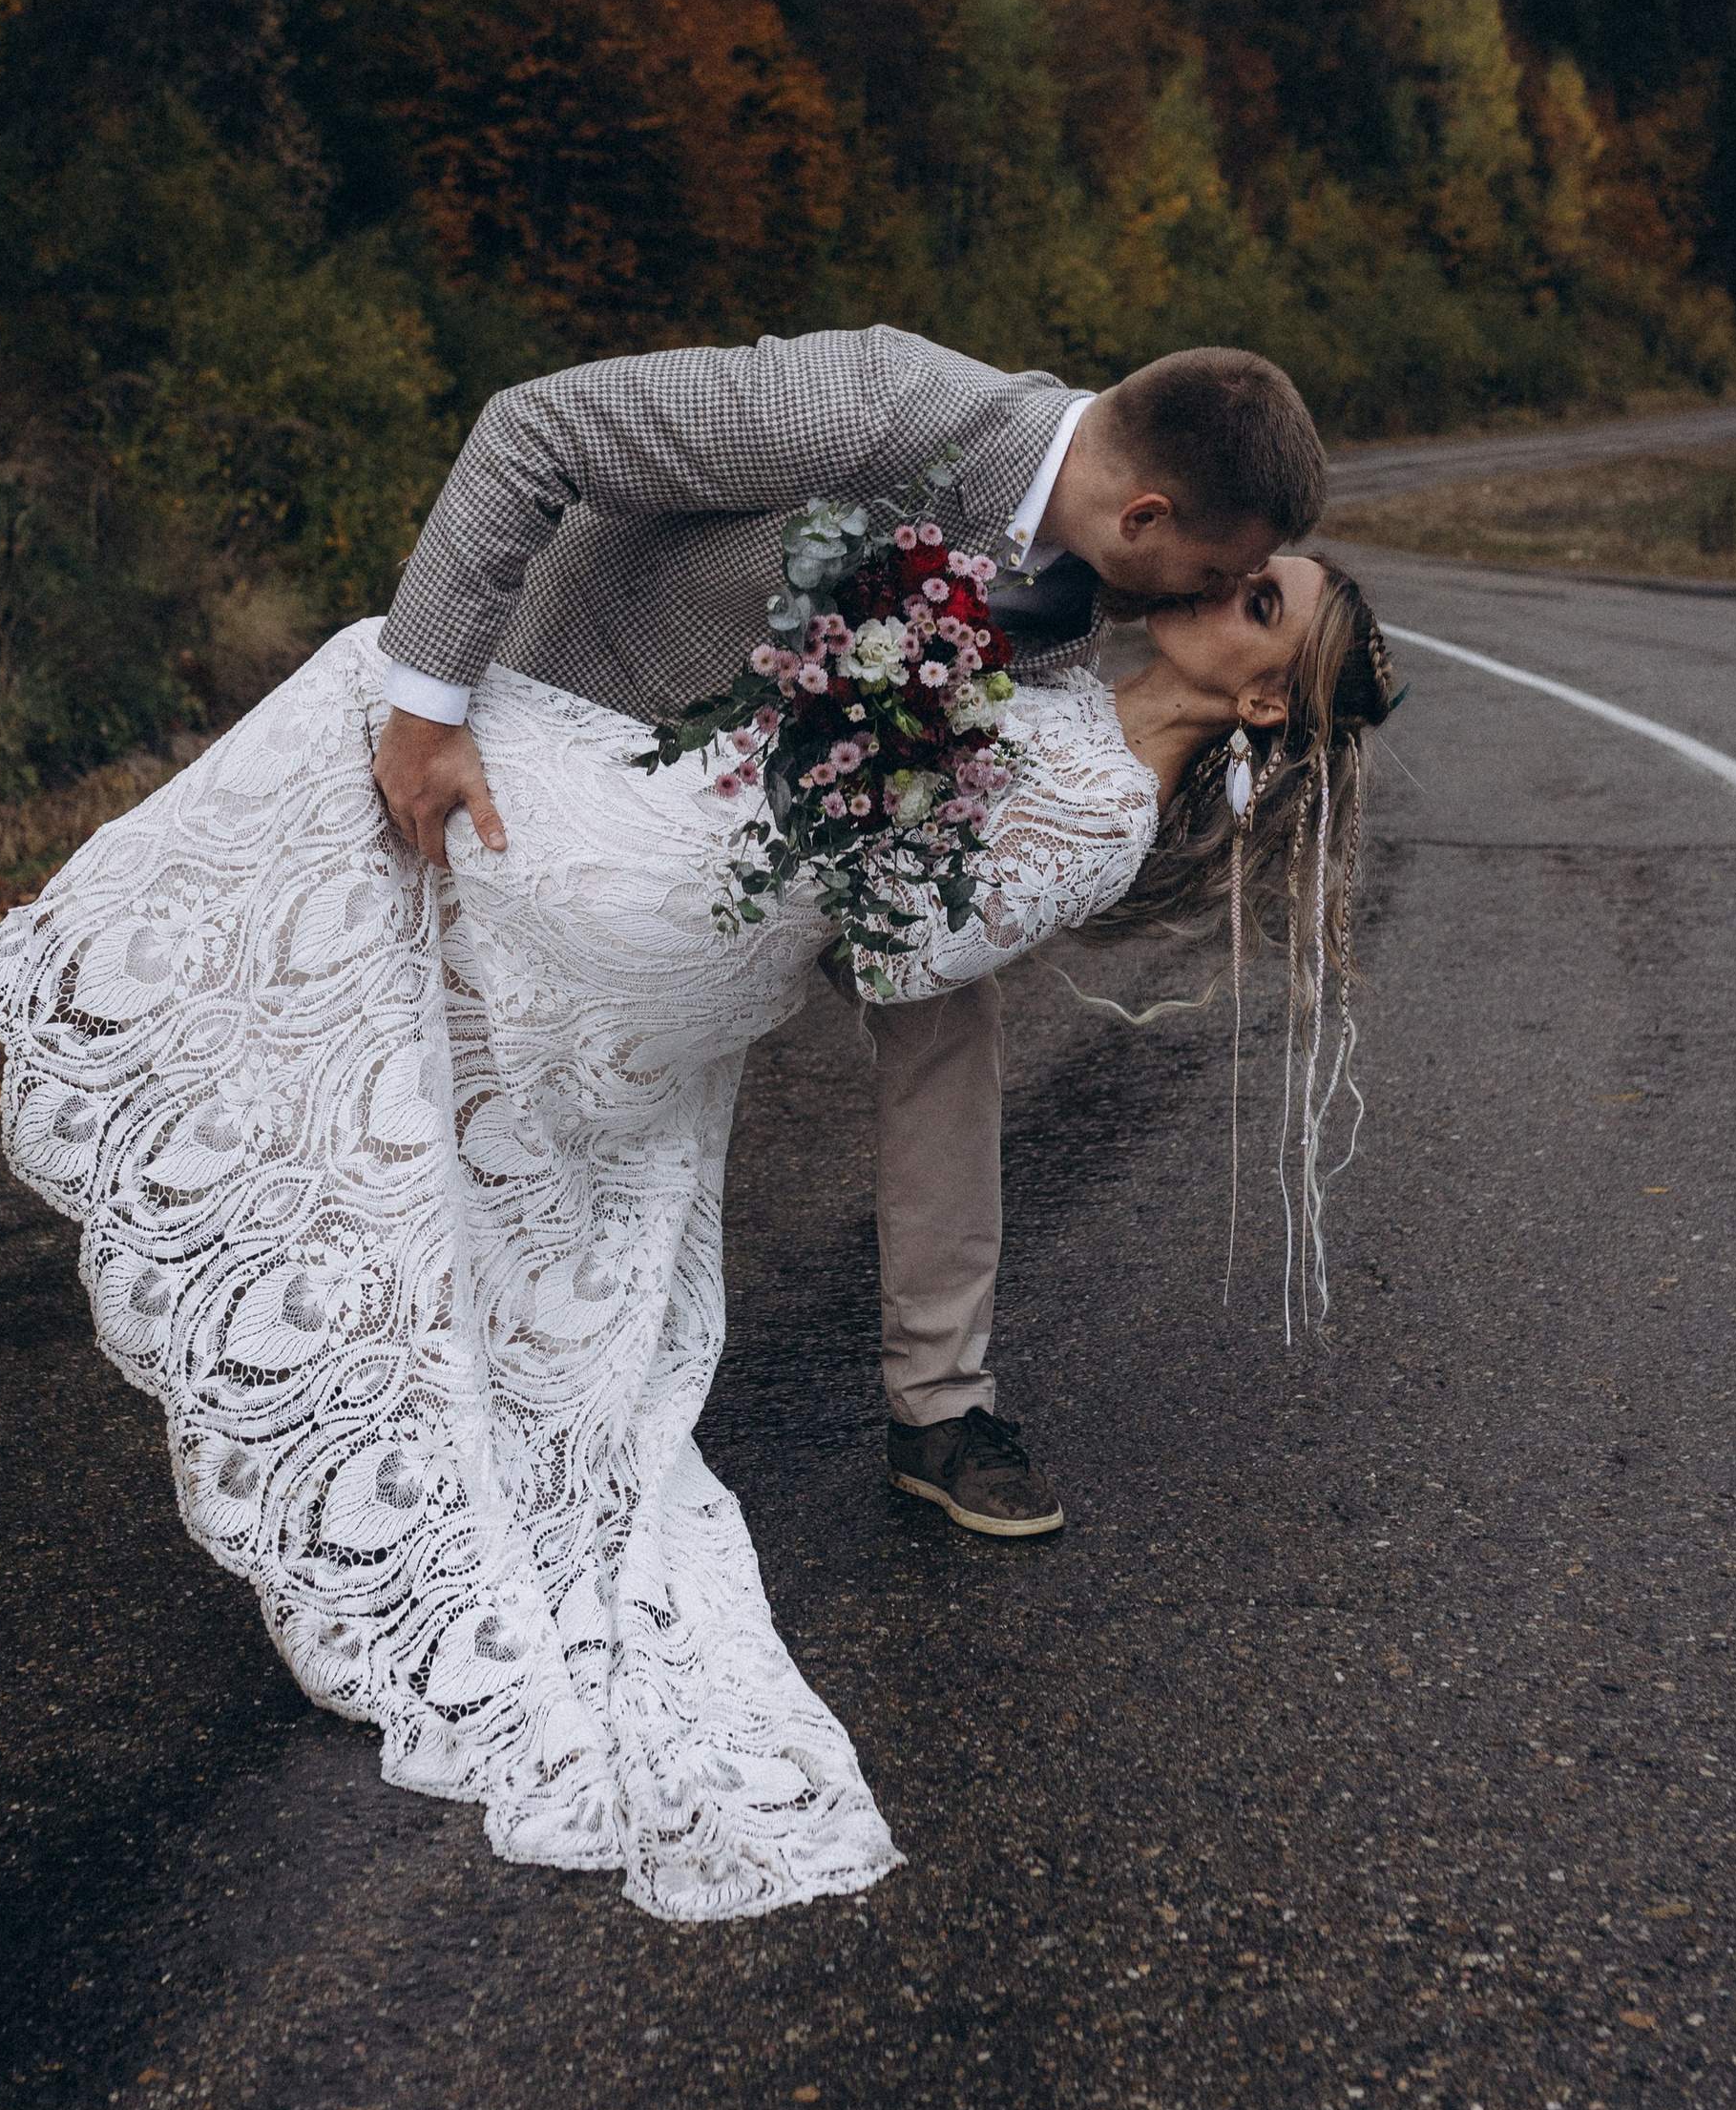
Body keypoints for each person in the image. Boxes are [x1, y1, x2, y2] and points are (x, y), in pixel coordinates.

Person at [0, 484, 1396, 1923]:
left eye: (1257, 601)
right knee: (449, 1028)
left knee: (386, 677)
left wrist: (866, 748)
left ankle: (63, 971)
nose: (1217, 582)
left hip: (692, 908)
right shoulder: (1083, 684)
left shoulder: (1106, 811)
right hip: (702, 879)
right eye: (1237, 564)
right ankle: (87, 981)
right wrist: (876, 681)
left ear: (1265, 704)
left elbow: (902, 960)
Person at [363, 327, 1328, 1542]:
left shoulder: (1080, 603)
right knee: (513, 1073)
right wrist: (425, 711)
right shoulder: (880, 401)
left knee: (947, 1014)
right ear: (1142, 515)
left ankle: (941, 1407)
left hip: (813, 822)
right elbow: (534, 429)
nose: (1190, 605)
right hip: (584, 726)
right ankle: (449, 1357)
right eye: (1206, 574)